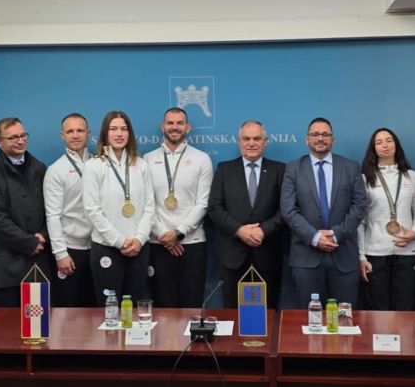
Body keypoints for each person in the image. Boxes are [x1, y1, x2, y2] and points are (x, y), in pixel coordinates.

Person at [281, 117, 367, 307]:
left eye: (325, 134)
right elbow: (288, 209)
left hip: (343, 256)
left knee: (344, 319)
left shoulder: (351, 167)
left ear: (333, 139)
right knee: (310, 318)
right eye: (315, 134)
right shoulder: (293, 169)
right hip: (306, 258)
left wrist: (336, 234)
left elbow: (360, 204)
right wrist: (314, 237)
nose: (320, 138)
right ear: (307, 139)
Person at [208, 120, 286, 309]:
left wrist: (263, 230)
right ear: (239, 141)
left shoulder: (280, 170)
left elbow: (286, 209)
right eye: (246, 138)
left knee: (267, 312)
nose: (251, 143)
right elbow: (214, 208)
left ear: (265, 142)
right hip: (233, 255)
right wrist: (239, 230)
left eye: (257, 138)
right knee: (233, 313)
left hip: (267, 254)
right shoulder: (224, 169)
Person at [83, 111, 155, 305]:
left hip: (138, 248)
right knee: (110, 309)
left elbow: (150, 207)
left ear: (129, 133)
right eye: (113, 129)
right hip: (107, 247)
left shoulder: (141, 165)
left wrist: (139, 239)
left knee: (134, 305)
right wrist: (119, 241)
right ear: (105, 134)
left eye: (124, 129)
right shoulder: (93, 166)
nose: (119, 134)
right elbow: (92, 209)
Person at [143, 107, 213, 308]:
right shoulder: (147, 159)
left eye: (179, 123)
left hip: (192, 243)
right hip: (158, 243)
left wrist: (179, 233)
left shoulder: (202, 159)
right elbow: (145, 204)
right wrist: (164, 235)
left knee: (191, 306)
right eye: (170, 123)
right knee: (162, 306)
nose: (174, 127)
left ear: (187, 127)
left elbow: (203, 203)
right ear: (162, 127)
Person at [0, 117, 50, 307]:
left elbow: (51, 209)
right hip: (6, 265)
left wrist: (43, 235)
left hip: (39, 262)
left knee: (38, 321)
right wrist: (29, 243)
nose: (20, 141)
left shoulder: (40, 168)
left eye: (23, 136)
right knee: (7, 322)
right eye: (13, 138)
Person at [358, 128, 415, 310]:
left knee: (405, 308)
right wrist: (361, 255)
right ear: (373, 148)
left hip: (407, 251)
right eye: (379, 142)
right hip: (375, 252)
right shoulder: (365, 178)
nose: (385, 145)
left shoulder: (411, 176)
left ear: (396, 144)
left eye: (389, 140)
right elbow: (360, 221)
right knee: (378, 309)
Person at [43, 113, 94, 307]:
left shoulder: (99, 164)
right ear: (62, 135)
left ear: (88, 133)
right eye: (70, 131)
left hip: (98, 246)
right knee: (69, 308)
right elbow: (52, 216)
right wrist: (60, 253)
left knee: (95, 306)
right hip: (71, 250)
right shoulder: (55, 170)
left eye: (80, 130)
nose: (75, 135)